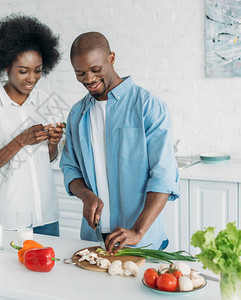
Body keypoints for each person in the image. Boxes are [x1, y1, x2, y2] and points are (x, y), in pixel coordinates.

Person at [60, 32, 179, 253]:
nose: (88, 79)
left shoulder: (148, 106)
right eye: (80, 73)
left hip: (141, 243)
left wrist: (138, 231)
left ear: (112, 58)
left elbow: (163, 177)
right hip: (92, 241)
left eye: (95, 70)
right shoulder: (77, 113)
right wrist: (86, 195)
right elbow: (69, 168)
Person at [0, 14, 64, 236]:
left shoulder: (46, 101)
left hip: (46, 214)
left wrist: (54, 142)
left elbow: (50, 158)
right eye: (23, 71)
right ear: (5, 67)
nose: (31, 78)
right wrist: (21, 140)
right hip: (9, 217)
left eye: (38, 70)